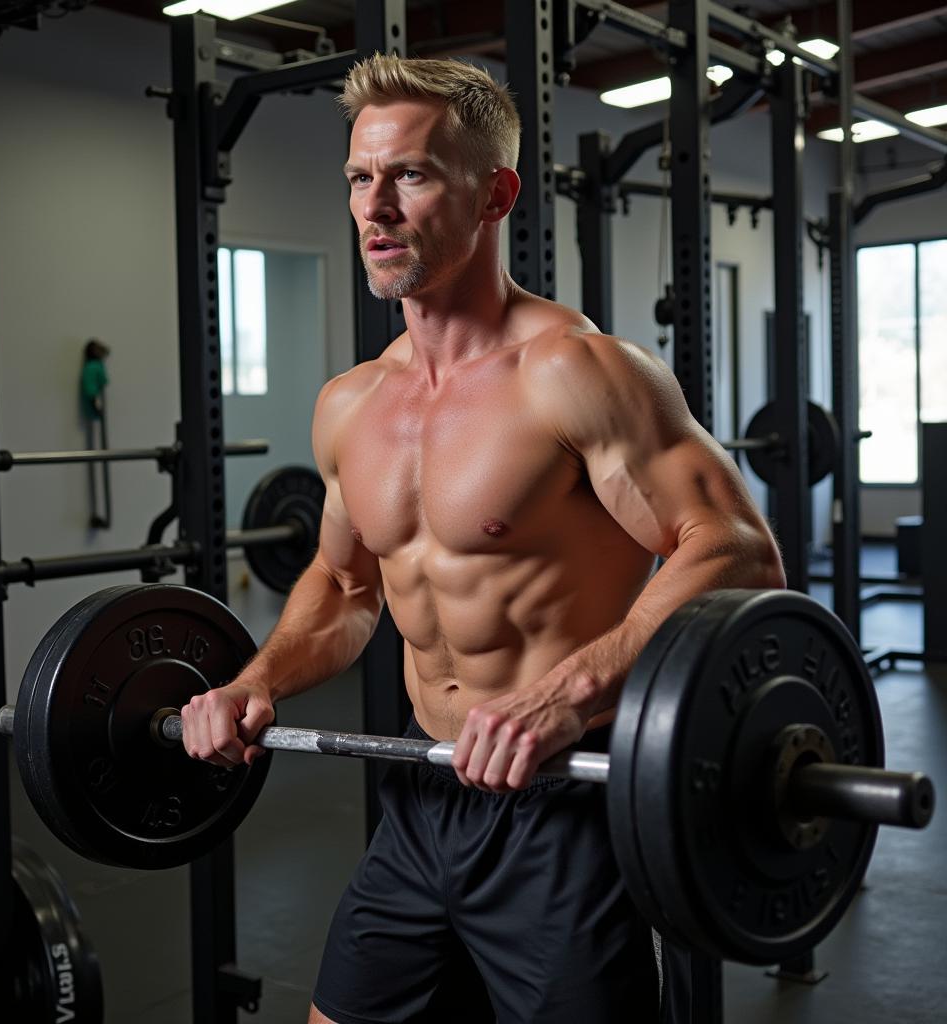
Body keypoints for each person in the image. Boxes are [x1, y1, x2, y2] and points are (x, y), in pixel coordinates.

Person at [180, 55, 786, 1023]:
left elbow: (735, 547)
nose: (374, 207)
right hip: (424, 793)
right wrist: (258, 680)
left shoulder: (574, 371)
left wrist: (561, 693)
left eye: (410, 176)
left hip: (566, 804)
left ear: (494, 193)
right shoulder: (351, 403)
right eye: (357, 178)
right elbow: (342, 590)